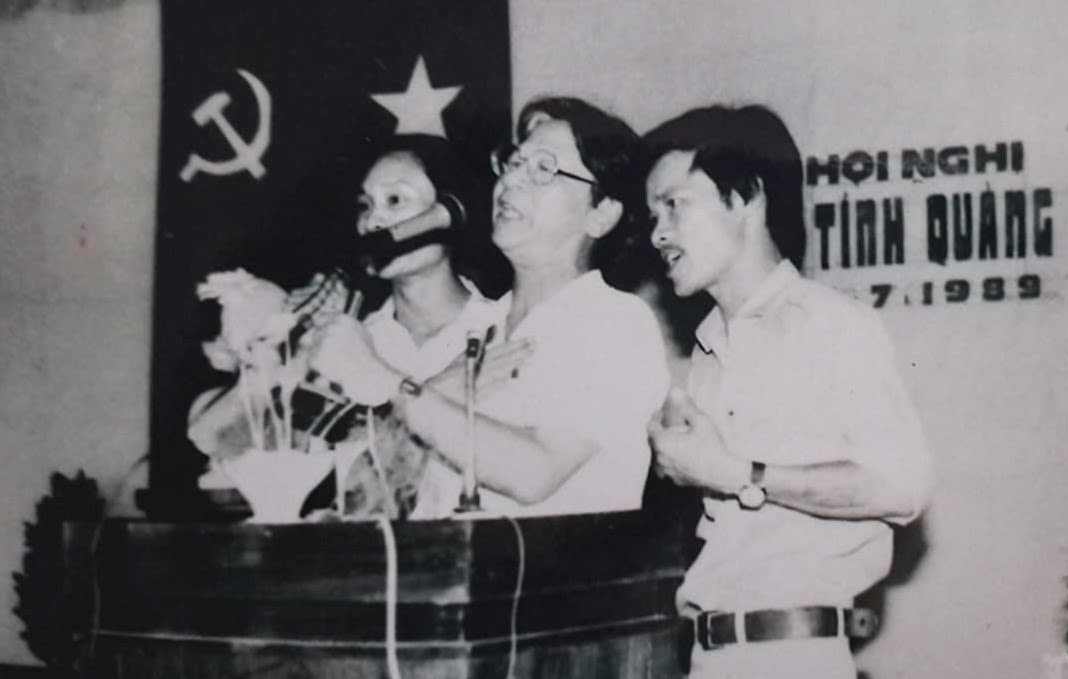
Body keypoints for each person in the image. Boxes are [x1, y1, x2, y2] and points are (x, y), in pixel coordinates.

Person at [641, 105, 933, 678]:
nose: (658, 233)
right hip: (709, 656)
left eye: (674, 205)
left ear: (746, 195)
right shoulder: (706, 353)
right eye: (653, 215)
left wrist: (736, 473)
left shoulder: (829, 322)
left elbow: (901, 485)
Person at [310, 96, 670, 516]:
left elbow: (534, 473)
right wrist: (430, 392)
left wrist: (389, 383)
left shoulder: (615, 322)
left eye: (543, 168)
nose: (512, 179)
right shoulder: (477, 329)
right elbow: (367, 498)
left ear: (601, 215)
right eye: (513, 162)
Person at [188, 134, 516, 519]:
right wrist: (280, 356)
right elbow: (209, 439)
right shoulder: (350, 342)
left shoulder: (502, 329)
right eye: (366, 205)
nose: (373, 221)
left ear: (448, 211)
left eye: (395, 200)